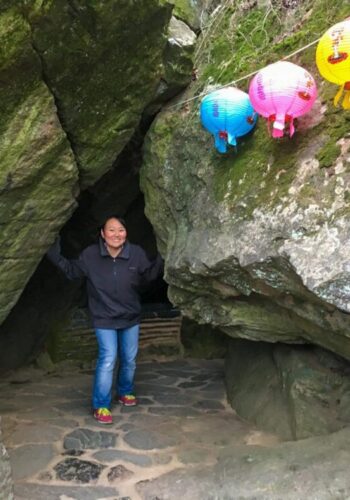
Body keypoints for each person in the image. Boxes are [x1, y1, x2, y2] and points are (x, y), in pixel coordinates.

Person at [47, 216, 164, 424]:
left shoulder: (135, 253)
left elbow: (150, 275)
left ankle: (125, 392)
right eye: (111, 230)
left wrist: (165, 254)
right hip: (103, 317)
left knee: (129, 360)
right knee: (108, 358)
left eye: (121, 230)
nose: (116, 235)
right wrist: (52, 249)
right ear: (103, 234)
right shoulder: (91, 255)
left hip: (130, 316)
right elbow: (72, 270)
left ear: (126, 232)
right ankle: (100, 405)